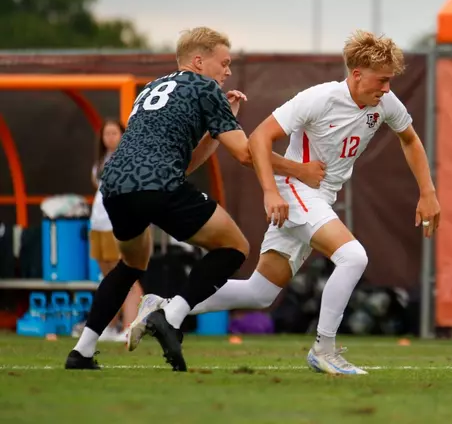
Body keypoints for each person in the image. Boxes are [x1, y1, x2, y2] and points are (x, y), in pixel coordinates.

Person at [128, 29, 441, 375]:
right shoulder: (320, 98)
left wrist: (428, 193)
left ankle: (165, 304)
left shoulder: (386, 103)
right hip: (296, 191)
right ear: (356, 74)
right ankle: (324, 349)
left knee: (260, 292)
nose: (386, 89)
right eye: (382, 81)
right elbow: (260, 138)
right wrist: (271, 191)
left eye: (390, 82)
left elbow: (410, 139)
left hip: (319, 196)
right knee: (353, 257)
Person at [65, 26, 324, 372]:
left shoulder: (151, 89)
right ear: (199, 61)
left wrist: (219, 124)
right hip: (158, 183)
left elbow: (183, 162)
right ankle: (169, 315)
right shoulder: (205, 87)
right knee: (234, 247)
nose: (228, 71)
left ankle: (81, 351)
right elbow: (246, 155)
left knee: (131, 266)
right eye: (224, 63)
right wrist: (299, 170)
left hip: (114, 184)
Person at [84, 119, 141, 342]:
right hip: (97, 223)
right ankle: (109, 326)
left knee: (127, 276)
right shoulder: (100, 163)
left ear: (122, 135)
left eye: (114, 133)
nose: (109, 137)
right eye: (106, 133)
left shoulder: (128, 159)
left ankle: (131, 327)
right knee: (109, 278)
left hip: (116, 224)